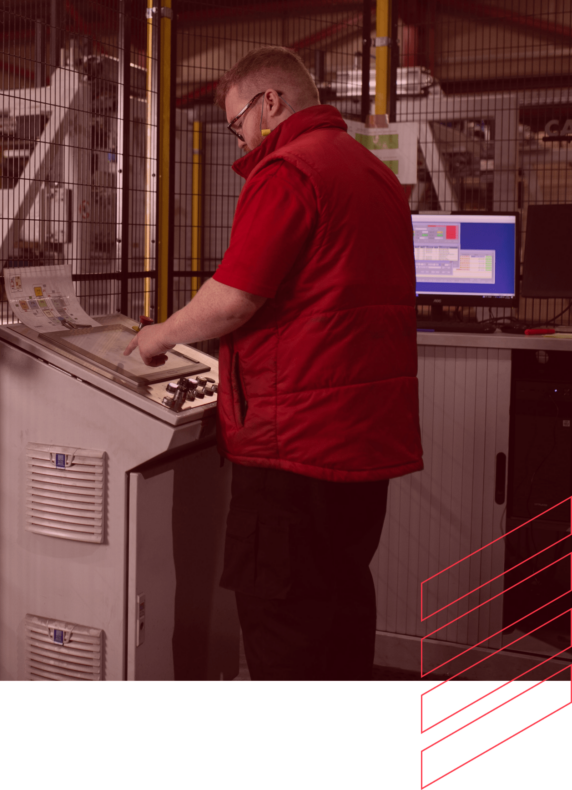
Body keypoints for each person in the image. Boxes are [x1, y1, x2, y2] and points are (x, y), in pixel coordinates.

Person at [124, 46, 423, 681]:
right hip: (361, 443)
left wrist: (160, 337)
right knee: (340, 608)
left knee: (284, 625)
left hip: (294, 446)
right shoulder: (372, 174)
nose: (239, 142)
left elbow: (237, 296)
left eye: (237, 125)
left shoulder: (289, 170)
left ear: (271, 102)